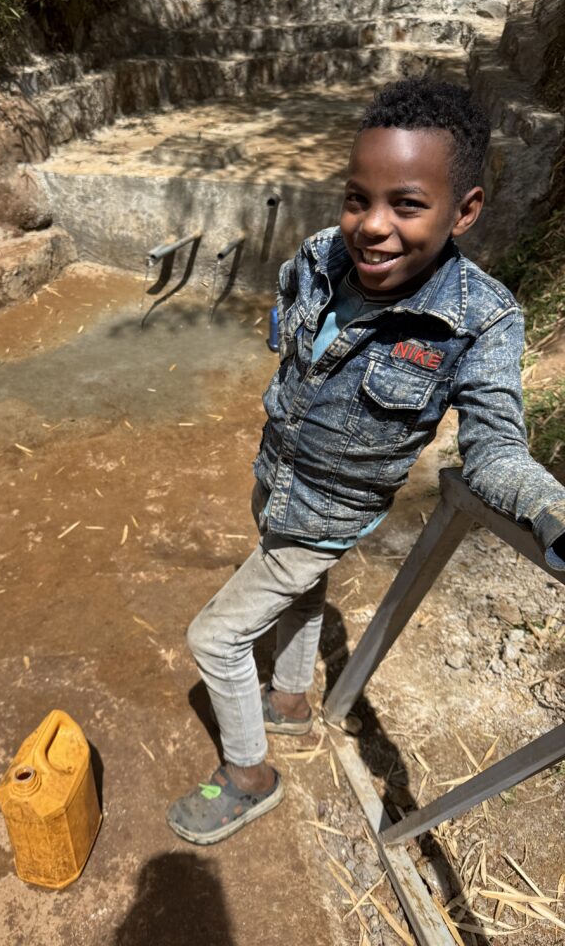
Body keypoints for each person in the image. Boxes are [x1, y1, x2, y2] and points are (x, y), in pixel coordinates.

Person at [165, 77, 565, 846]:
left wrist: (549, 508)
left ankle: (249, 776)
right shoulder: (318, 256)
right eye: (357, 198)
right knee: (304, 596)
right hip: (274, 479)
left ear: (465, 211)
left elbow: (495, 447)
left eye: (407, 205)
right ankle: (287, 701)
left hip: (327, 516)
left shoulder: (481, 322)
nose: (372, 226)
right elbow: (290, 318)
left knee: (215, 638)